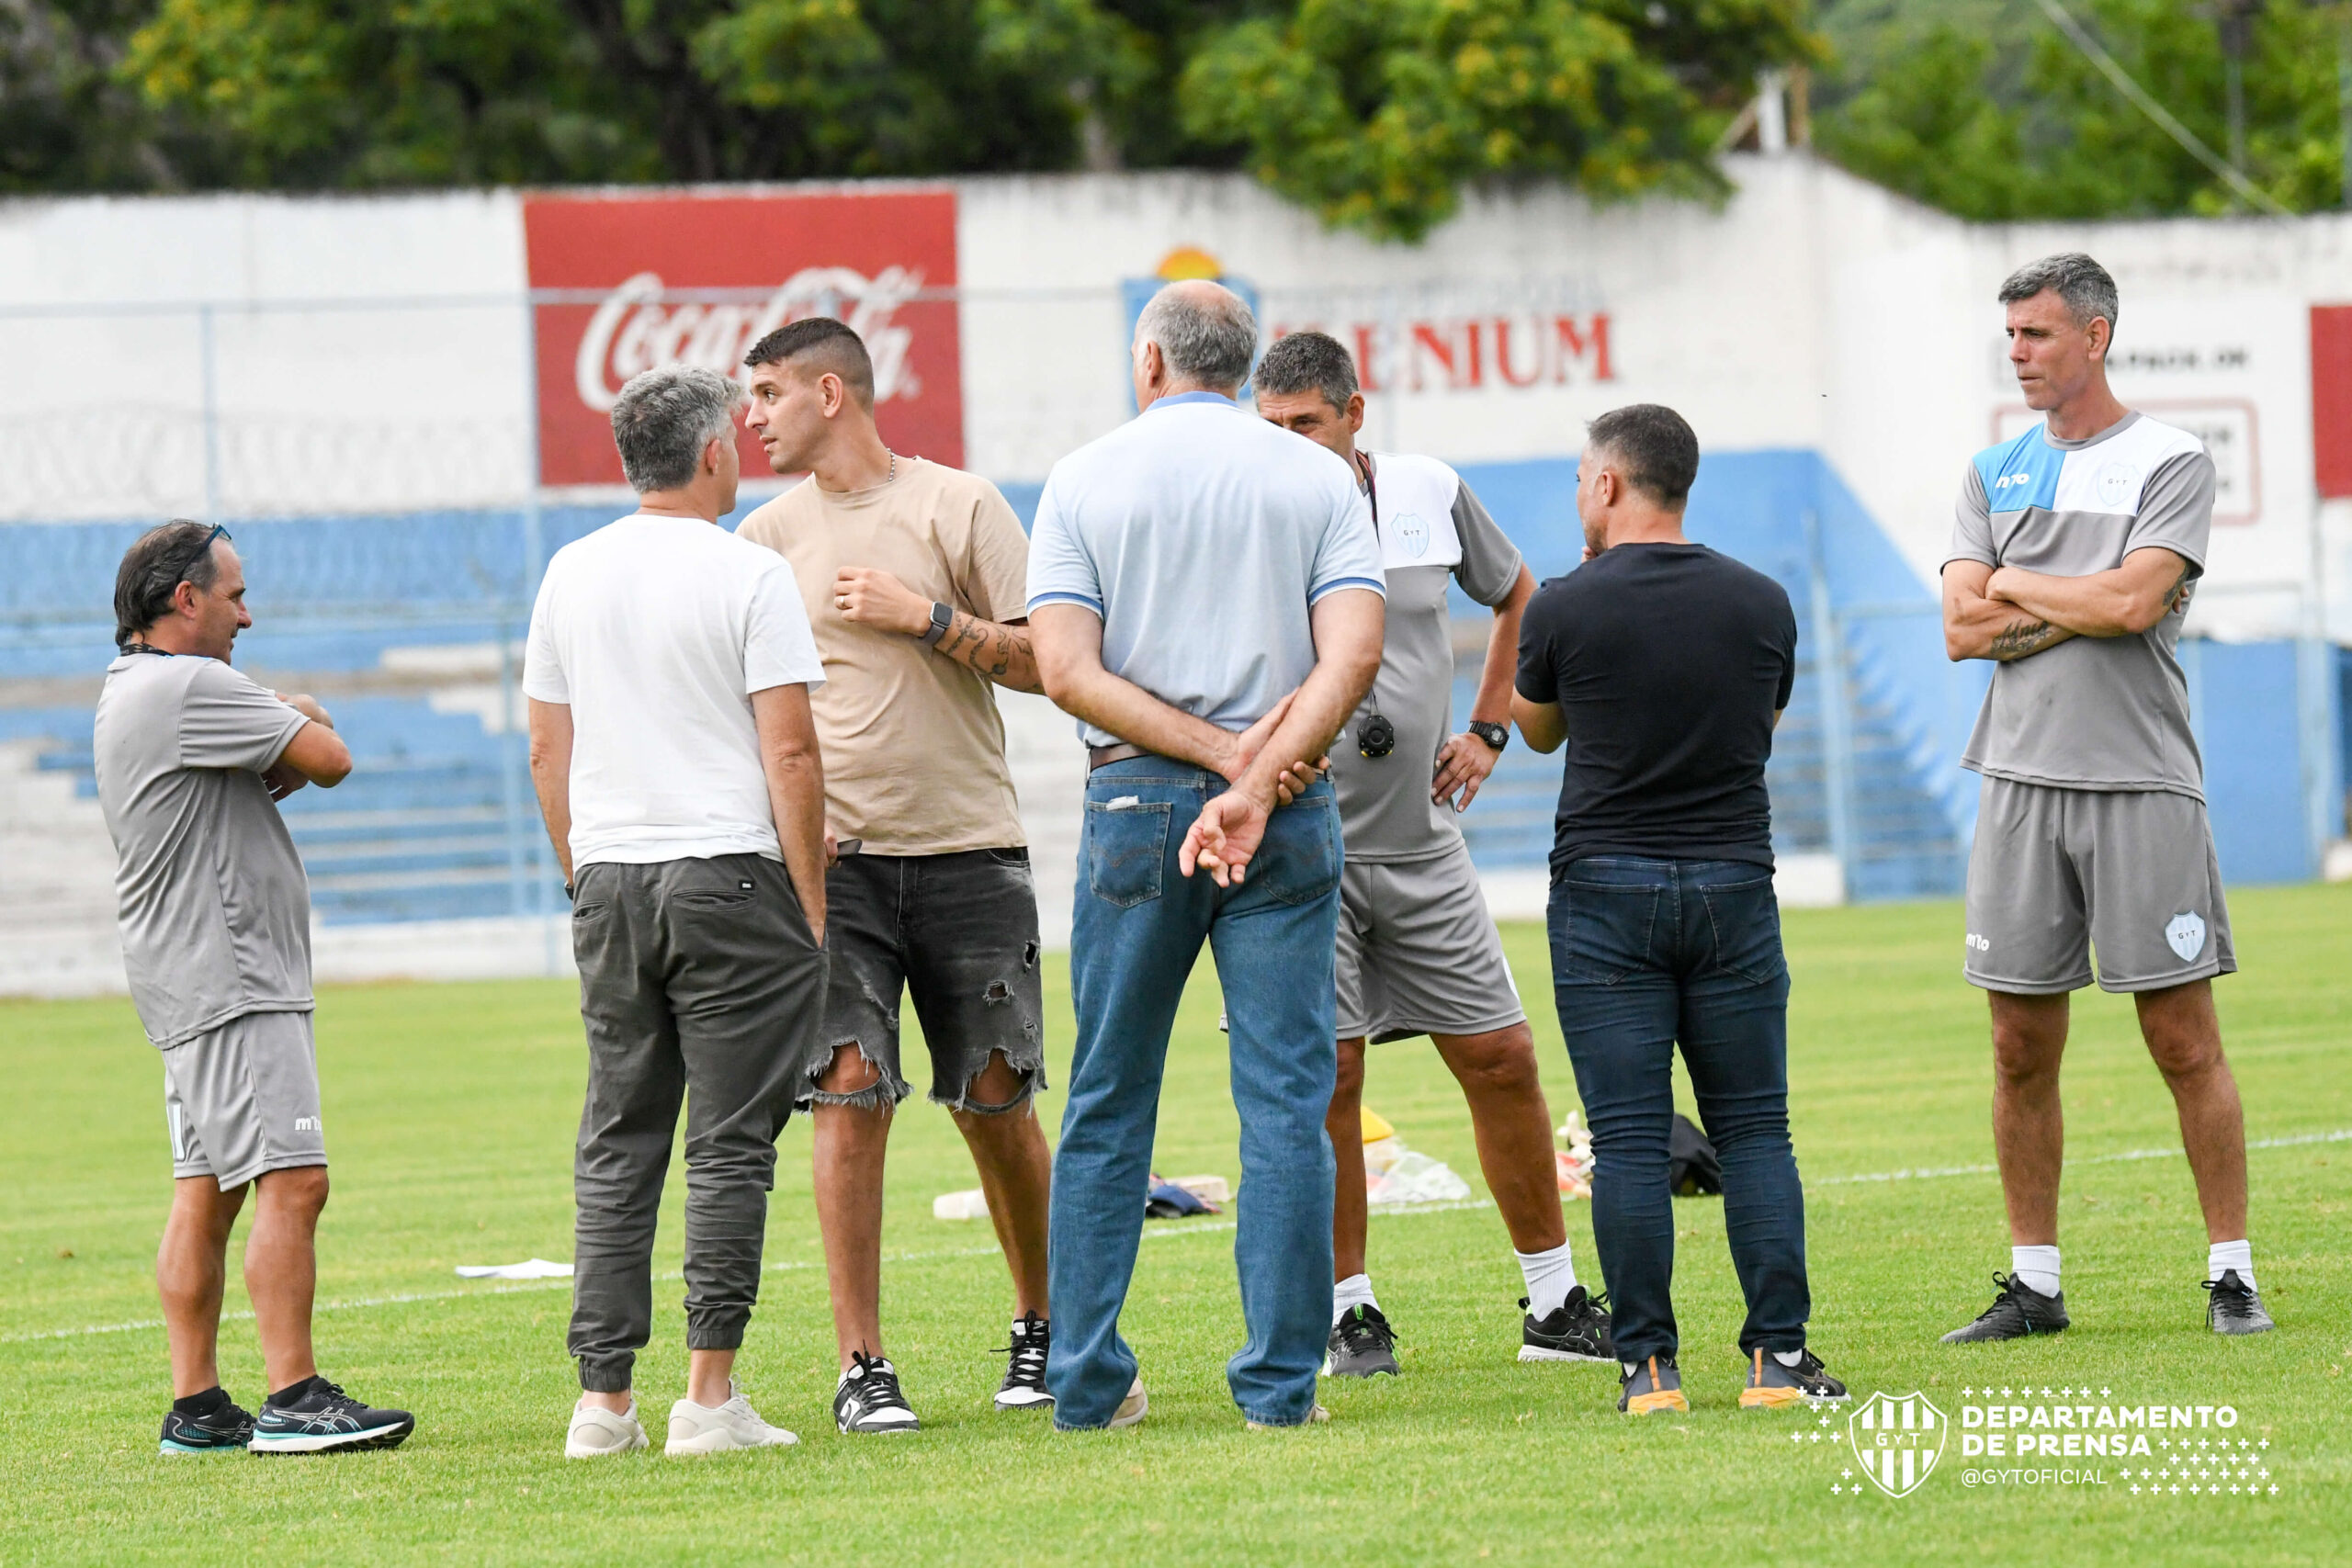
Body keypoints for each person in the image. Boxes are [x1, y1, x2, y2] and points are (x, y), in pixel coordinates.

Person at [1027, 280, 1385, 1431]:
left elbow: (1065, 671)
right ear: (1243, 364)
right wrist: (1256, 771)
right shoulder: (1319, 477)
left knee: (1106, 1096)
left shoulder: (1083, 477)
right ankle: (1280, 1388)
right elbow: (1352, 656)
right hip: (1285, 807)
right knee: (1286, 1102)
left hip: (1134, 801)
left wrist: (1210, 757)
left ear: (1149, 363)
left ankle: (1087, 1385)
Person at [1252, 331, 1609, 1378]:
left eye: (1306, 423)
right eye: (1270, 426)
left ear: (1354, 414)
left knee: (1502, 1057)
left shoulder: (1426, 488)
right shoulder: (1244, 510)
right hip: (1298, 848)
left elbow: (1519, 595)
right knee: (1329, 1079)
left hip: (1421, 843)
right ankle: (1346, 1314)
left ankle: (1555, 1303)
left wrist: (1491, 726)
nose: (1288, 443)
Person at [1939, 253, 2270, 1341]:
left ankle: (2231, 1275)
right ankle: (2034, 1286)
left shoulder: (2170, 458)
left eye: (2036, 333)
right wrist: (2081, 598)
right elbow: (1960, 629)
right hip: (2016, 786)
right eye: (2010, 335)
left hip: (2139, 783)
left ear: (2095, 335)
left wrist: (2016, 581)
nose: (2018, 353)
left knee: (2182, 1039)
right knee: (2016, 1048)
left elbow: (2133, 605)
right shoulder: (1992, 471)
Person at [735, 318, 1057, 1433]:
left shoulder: (959, 504)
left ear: (831, 392)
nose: (752, 417)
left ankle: (1043, 1327)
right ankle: (861, 1364)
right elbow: (746, 714)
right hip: (838, 871)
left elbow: (1047, 662)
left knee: (997, 1101)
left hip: (970, 848)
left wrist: (928, 619)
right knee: (846, 1093)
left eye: (768, 393)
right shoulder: (763, 538)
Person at [1513, 403, 1846, 1416]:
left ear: (1609, 484)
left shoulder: (1563, 605)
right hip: (1732, 884)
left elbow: (1536, 731)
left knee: (1624, 1139)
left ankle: (1649, 1370)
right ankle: (1777, 1360)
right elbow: (1761, 726)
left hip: (1605, 888)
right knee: (1756, 1132)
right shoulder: (1761, 601)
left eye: (1582, 477)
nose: (1579, 493)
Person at [525, 364, 831, 1459]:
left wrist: (585, 876)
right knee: (730, 1145)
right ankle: (708, 1396)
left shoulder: (569, 570)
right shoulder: (748, 571)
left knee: (618, 1140)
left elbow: (546, 747)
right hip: (729, 871)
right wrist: (811, 903)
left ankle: (602, 1403)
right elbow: (791, 751)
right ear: (712, 453)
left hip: (613, 875)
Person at [95, 519, 415, 1456]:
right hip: (232, 974)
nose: (247, 614)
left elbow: (288, 757)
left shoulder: (134, 688)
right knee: (295, 1177)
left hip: (186, 977)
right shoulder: (190, 686)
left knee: (206, 1192)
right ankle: (293, 1398)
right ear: (184, 598)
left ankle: (197, 1407)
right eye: (234, 596)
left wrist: (284, 720)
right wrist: (299, 706)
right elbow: (328, 758)